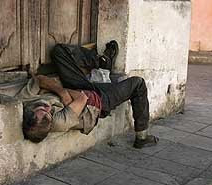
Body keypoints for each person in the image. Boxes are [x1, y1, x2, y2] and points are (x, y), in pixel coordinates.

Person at [22, 41, 158, 148]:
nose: (47, 108)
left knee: (59, 51)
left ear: (30, 112)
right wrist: (58, 91)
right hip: (96, 102)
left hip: (75, 89)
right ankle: (142, 137)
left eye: (42, 110)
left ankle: (102, 61)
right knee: (138, 83)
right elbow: (82, 98)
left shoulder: (27, 102)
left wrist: (63, 92)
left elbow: (39, 79)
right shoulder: (59, 122)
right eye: (49, 114)